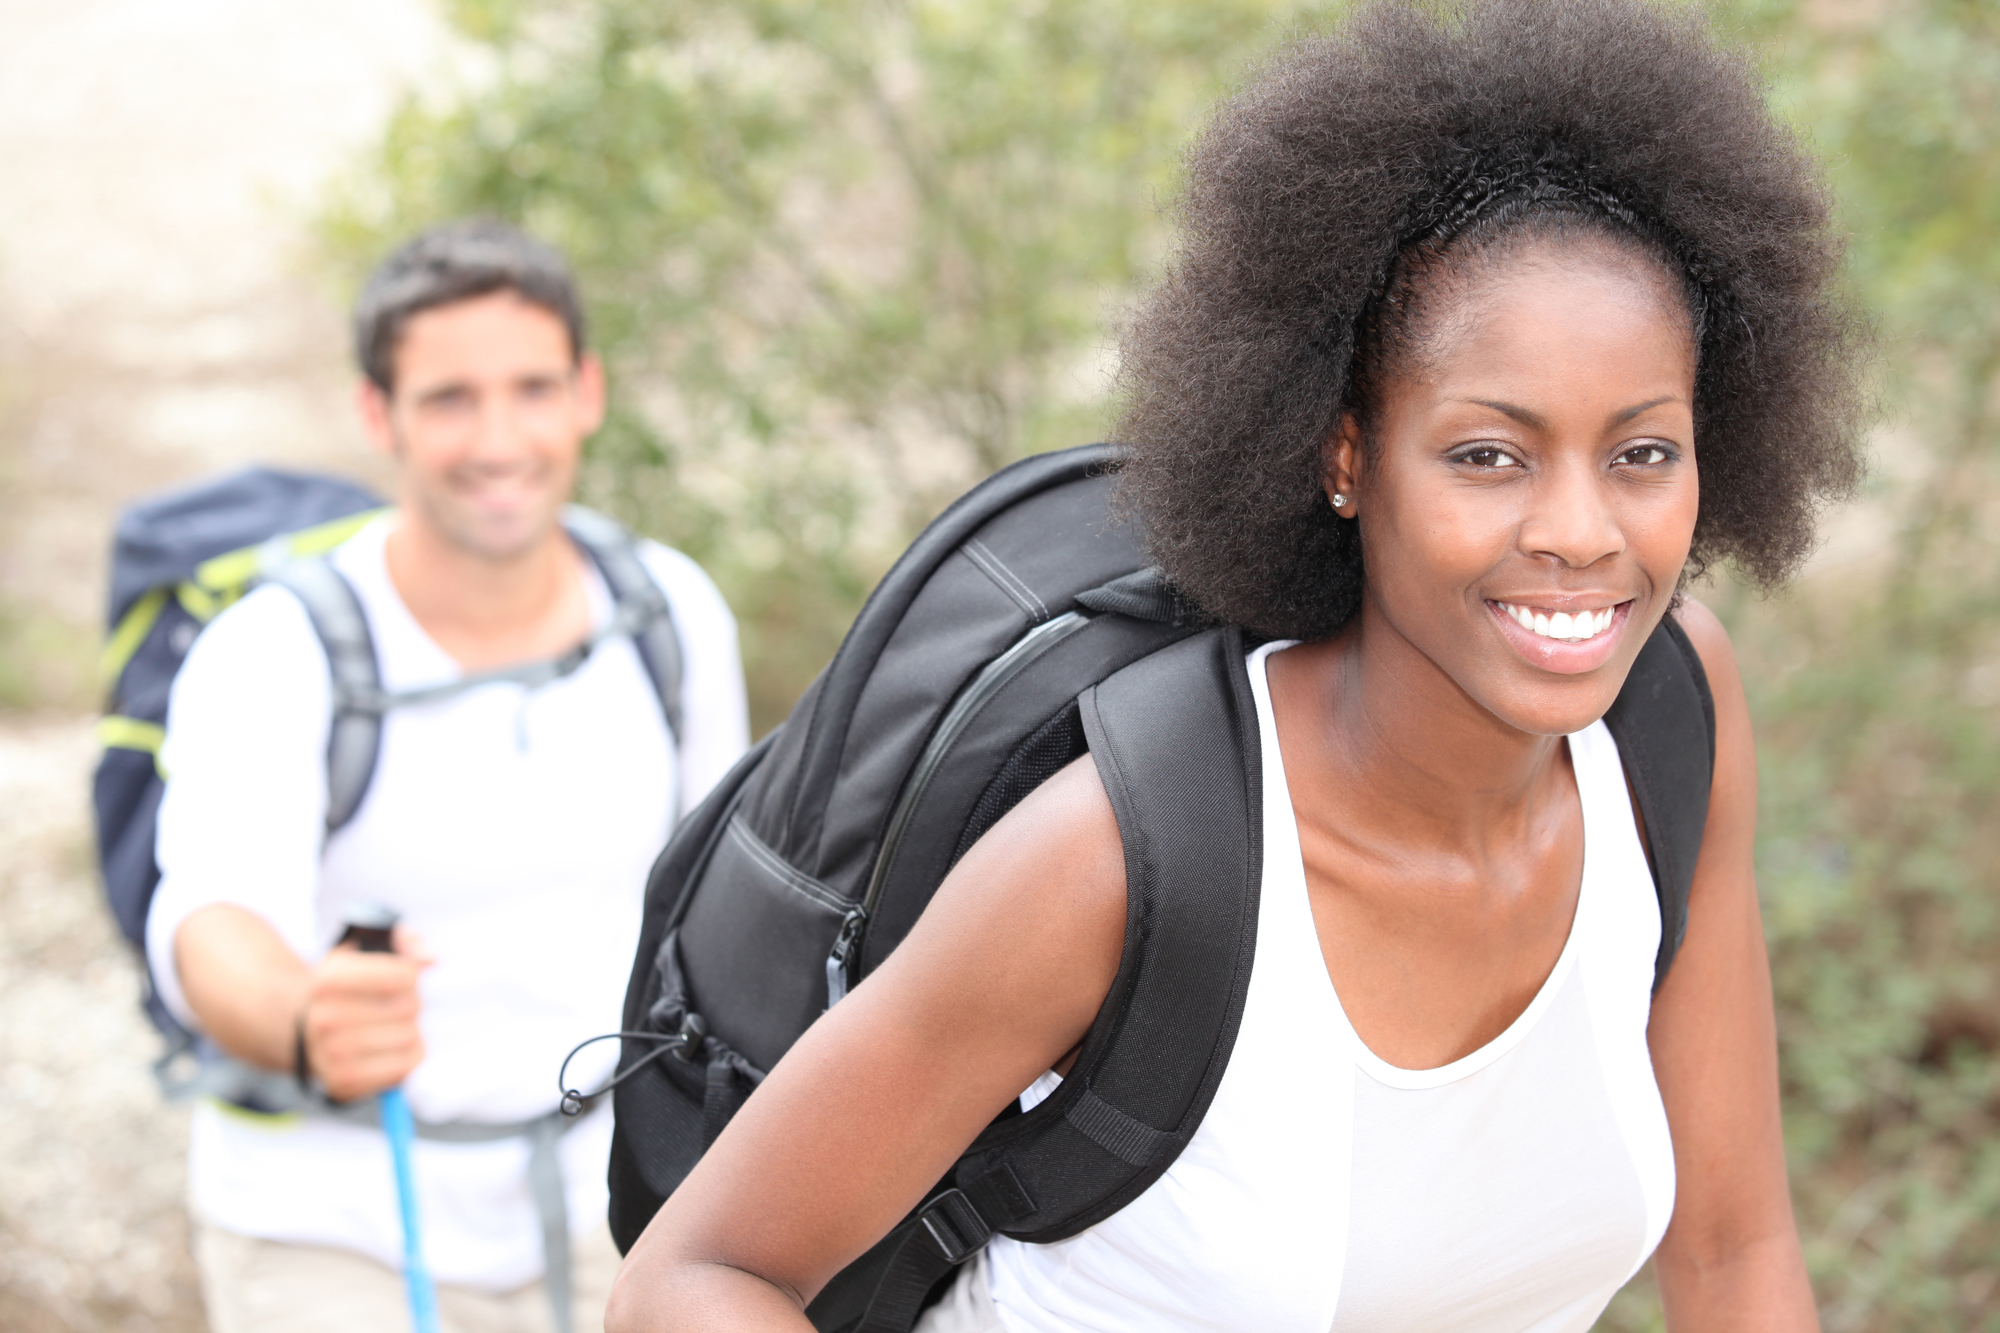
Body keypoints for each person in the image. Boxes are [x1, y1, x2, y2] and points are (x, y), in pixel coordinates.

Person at [604, 1, 1865, 1329]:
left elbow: (1732, 1249)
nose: (1577, 532)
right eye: (1487, 453)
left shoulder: (1670, 717)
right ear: (1345, 458)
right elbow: (697, 1282)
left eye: (1641, 453)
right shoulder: (1126, 857)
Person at [146, 219, 749, 1332]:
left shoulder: (669, 613)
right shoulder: (276, 647)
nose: (499, 438)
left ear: (587, 392)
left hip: (614, 1210)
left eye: (531, 388)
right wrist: (302, 1015)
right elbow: (209, 920)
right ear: (378, 414)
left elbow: (717, 916)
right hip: (338, 1230)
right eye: (449, 399)